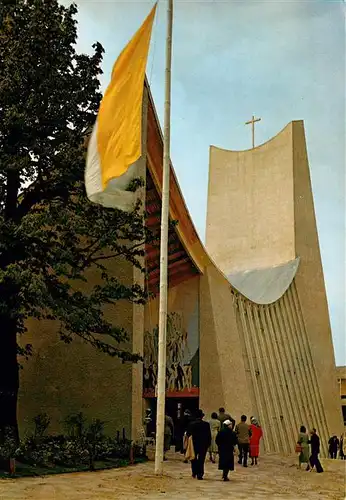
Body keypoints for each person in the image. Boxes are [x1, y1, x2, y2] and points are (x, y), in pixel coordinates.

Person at [186, 409, 212, 480]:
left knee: (193, 458)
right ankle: (200, 474)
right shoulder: (206, 424)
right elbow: (209, 435)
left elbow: (188, 434)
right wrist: (208, 443)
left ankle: (194, 472)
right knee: (201, 459)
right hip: (203, 444)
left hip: (194, 444)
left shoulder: (191, 424)